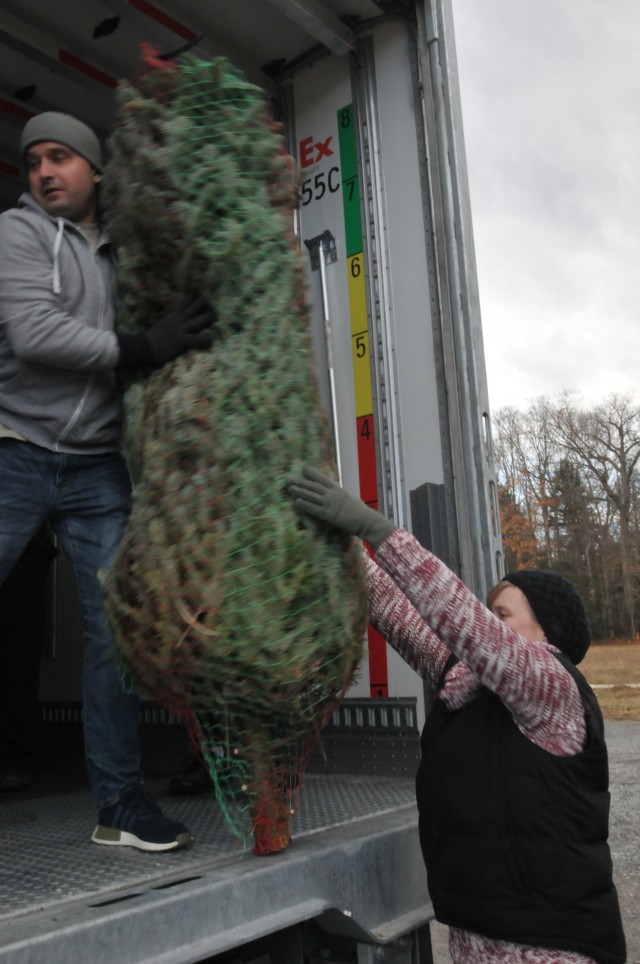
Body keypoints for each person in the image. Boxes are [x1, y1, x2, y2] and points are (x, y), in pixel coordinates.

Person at [289, 467, 627, 964]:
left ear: (545, 631)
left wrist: (376, 530)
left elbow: (464, 623)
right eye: (488, 610)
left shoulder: (554, 689)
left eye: (503, 613)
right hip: (476, 938)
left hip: (555, 949)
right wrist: (339, 543)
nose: (489, 621)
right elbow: (397, 611)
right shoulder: (466, 684)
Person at [0, 111, 215, 851]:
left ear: (94, 170)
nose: (44, 173)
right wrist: (139, 346)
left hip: (96, 467)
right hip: (14, 448)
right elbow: (34, 335)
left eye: (60, 158)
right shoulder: (18, 234)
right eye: (34, 162)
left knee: (112, 635)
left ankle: (120, 807)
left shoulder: (127, 251)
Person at [0, 526, 57, 791]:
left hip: (25, 537)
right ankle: (17, 755)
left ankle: (17, 755)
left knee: (18, 647)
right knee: (18, 649)